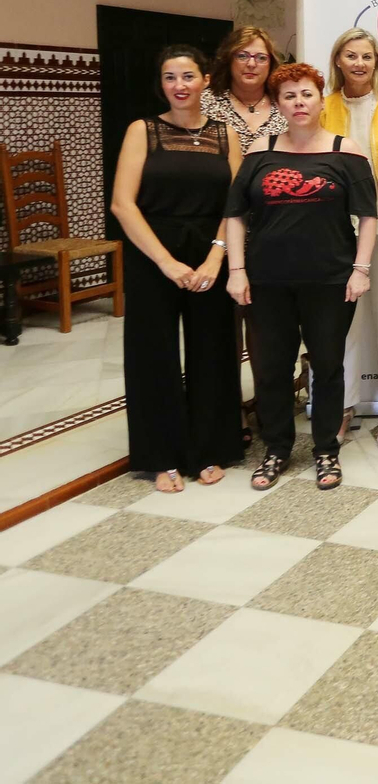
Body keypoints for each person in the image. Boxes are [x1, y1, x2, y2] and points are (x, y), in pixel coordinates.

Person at [225, 63, 377, 491]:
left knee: (327, 367)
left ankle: (326, 448)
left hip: (331, 280)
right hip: (266, 281)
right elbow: (234, 215)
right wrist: (237, 271)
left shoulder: (348, 152)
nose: (298, 103)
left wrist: (360, 270)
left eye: (306, 94)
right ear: (278, 104)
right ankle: (276, 449)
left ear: (320, 98)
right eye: (289, 96)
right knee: (271, 369)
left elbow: (367, 217)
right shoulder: (259, 151)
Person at [110, 45, 243, 493]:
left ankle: (209, 448)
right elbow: (122, 204)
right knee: (154, 353)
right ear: (161, 84)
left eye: (188, 76)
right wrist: (166, 262)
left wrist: (215, 256)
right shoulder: (142, 131)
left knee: (214, 350)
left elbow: (235, 203)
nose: (179, 86)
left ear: (206, 79)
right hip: (153, 253)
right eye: (170, 77)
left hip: (211, 251)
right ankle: (160, 454)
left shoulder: (226, 134)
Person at [319, 27, 378, 448]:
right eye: (351, 55)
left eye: (367, 57)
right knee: (346, 325)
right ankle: (344, 408)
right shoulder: (322, 108)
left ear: (377, 63)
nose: (359, 63)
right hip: (338, 232)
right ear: (338, 60)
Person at [202, 26, 289, 449]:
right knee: (223, 326)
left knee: (266, 330)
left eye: (260, 57)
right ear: (228, 61)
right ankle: (229, 409)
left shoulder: (285, 104)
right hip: (219, 225)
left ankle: (269, 405)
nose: (252, 64)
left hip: (275, 229)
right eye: (243, 56)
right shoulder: (207, 104)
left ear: (271, 63)